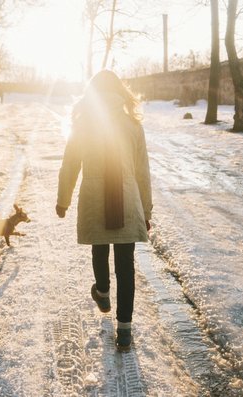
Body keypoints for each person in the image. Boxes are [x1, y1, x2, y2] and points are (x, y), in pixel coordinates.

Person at [56, 70, 153, 352]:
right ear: (119, 92)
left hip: (95, 200)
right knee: (126, 265)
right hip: (127, 202)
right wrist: (145, 210)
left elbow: (70, 164)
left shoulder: (84, 124)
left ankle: (102, 292)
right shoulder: (133, 125)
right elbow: (143, 173)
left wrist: (63, 200)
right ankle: (124, 331)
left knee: (99, 248)